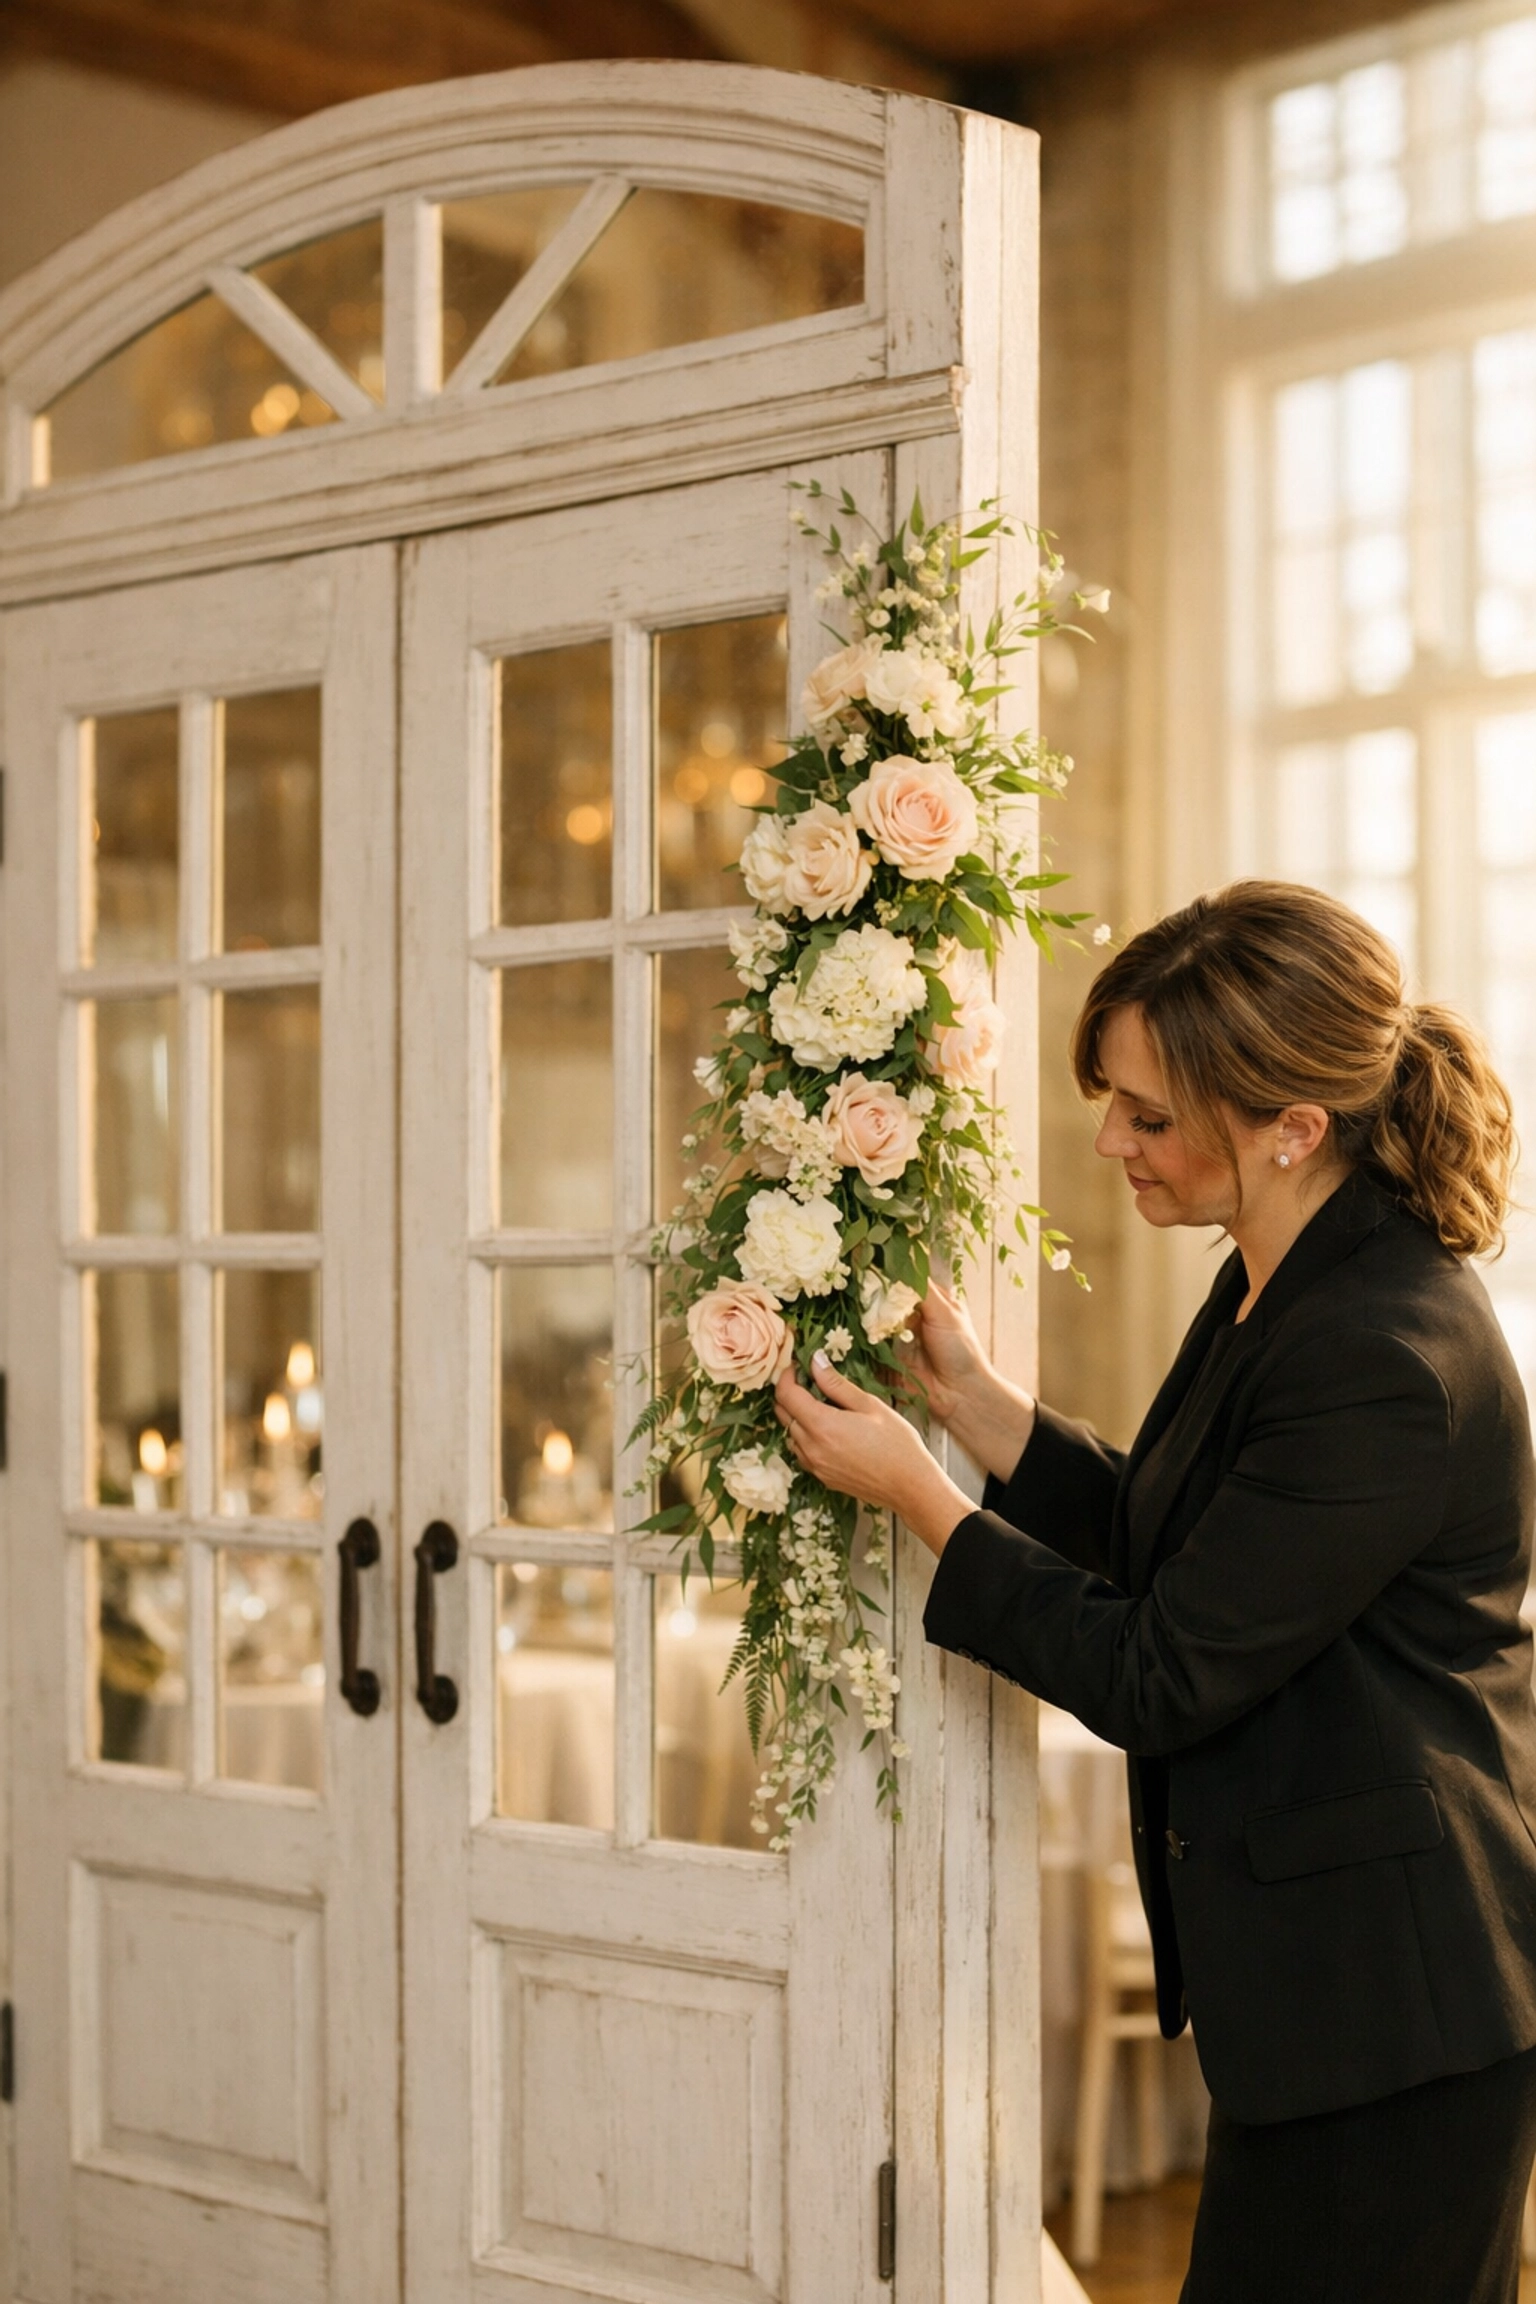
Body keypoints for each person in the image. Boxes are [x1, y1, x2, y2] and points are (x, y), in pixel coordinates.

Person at [774, 880, 1536, 2304]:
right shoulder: (1284, 1275)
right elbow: (1189, 1536)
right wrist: (983, 1412)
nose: (1111, 1139)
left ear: (1290, 1127)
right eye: (1111, 1098)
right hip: (1325, 2010)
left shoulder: (1382, 1348)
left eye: (1148, 1113)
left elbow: (1162, 1671)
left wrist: (923, 1501)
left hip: (1400, 2019)